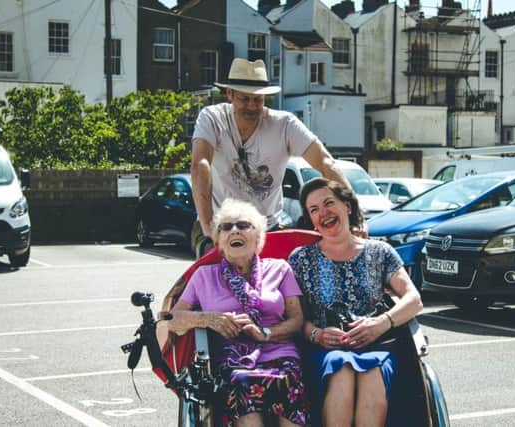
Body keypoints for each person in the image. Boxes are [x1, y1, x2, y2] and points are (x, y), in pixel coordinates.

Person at [288, 178, 423, 427]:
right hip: (325, 350)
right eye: (314, 209)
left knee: (372, 372)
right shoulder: (301, 259)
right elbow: (294, 317)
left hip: (377, 344)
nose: (323, 214)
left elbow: (414, 300)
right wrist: (316, 334)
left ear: (347, 206)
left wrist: (381, 323)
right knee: (341, 369)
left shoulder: (380, 252)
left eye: (329, 203)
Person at [169, 198, 308, 427]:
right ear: (219, 242)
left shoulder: (280, 269)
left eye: (243, 225)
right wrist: (209, 319)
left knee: (288, 381)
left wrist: (264, 333)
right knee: (241, 382)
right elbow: (171, 320)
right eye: (226, 227)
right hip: (233, 361)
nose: (234, 230)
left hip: (280, 353)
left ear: (258, 237)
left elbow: (297, 320)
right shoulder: (204, 276)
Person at [190, 57, 350, 254]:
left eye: (258, 99)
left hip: (267, 227)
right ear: (230, 94)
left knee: (280, 279)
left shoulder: (284, 124)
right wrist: (208, 227)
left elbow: (325, 161)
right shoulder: (212, 118)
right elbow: (200, 164)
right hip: (221, 226)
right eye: (244, 99)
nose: (251, 106)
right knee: (216, 280)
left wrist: (355, 214)